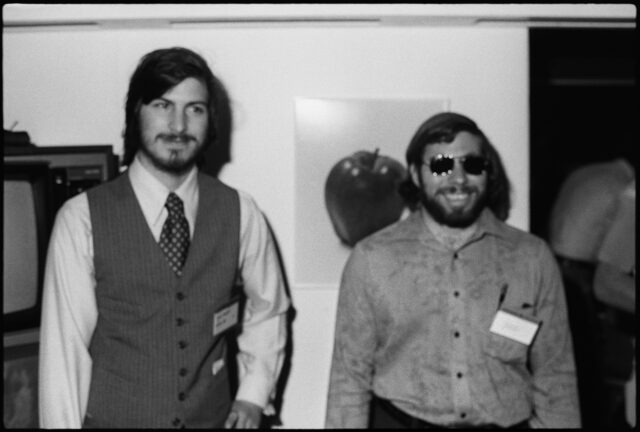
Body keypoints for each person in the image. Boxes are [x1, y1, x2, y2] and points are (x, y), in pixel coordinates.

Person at [38, 47, 290, 429]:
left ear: (210, 120)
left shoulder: (242, 212)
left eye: (195, 109)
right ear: (135, 112)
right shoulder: (81, 219)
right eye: (162, 104)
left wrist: (254, 393)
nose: (178, 125)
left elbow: (268, 308)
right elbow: (64, 356)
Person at [325, 112, 580, 428]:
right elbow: (349, 379)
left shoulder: (532, 258)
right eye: (442, 165)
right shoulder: (372, 258)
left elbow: (556, 378)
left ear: (487, 173)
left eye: (472, 165)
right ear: (417, 175)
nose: (458, 179)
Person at [548, 158, 635, 429]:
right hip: (581, 291)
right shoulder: (630, 191)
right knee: (599, 401)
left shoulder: (590, 172)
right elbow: (608, 283)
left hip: (557, 276)